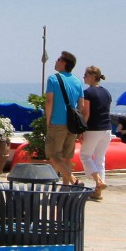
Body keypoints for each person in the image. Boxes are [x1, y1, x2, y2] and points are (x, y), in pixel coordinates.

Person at [44, 51, 84, 185]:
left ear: (63, 63)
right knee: (67, 156)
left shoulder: (53, 79)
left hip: (57, 122)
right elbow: (81, 105)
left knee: (54, 156)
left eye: (58, 59)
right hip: (72, 124)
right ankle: (66, 188)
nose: (55, 61)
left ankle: (73, 180)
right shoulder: (77, 81)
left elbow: (49, 100)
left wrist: (48, 119)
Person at [77, 65, 113, 200]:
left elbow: (86, 113)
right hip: (107, 128)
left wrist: (81, 129)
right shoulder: (106, 92)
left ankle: (98, 181)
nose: (84, 77)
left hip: (93, 128)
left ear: (92, 76)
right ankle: (98, 191)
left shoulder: (88, 93)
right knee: (100, 159)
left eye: (85, 75)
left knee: (85, 156)